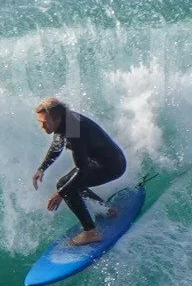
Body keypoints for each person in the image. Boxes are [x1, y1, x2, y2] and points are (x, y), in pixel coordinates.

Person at [30, 96, 128, 245]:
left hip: (112, 167)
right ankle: (108, 210)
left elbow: (82, 170)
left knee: (66, 186)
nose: (42, 127)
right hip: (104, 162)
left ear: (57, 119)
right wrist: (41, 168)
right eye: (40, 123)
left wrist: (60, 193)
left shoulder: (74, 128)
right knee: (70, 183)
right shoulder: (64, 121)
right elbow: (57, 145)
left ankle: (91, 232)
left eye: (44, 123)